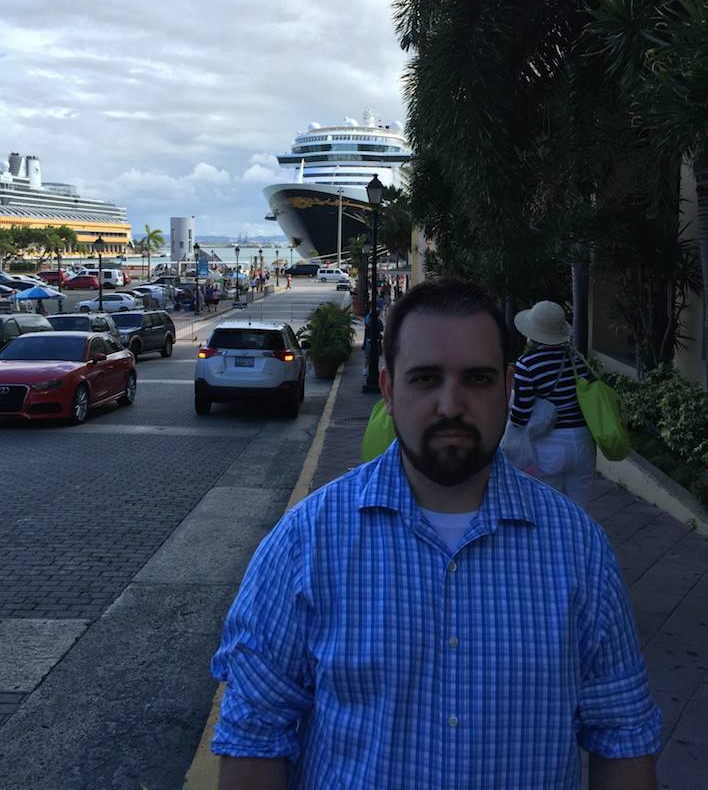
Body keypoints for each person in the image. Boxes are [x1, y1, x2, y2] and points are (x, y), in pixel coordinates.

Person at [211, 278, 661, 789]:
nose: (450, 404)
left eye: (477, 379)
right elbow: (255, 738)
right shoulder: (304, 544)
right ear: (389, 390)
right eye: (426, 379)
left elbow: (622, 736)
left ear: (507, 388)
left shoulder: (579, 548)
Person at [508, 300, 595, 508]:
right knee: (579, 512)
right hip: (583, 441)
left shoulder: (527, 364)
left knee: (550, 509)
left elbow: (520, 414)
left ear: (532, 334)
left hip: (550, 443)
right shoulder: (577, 360)